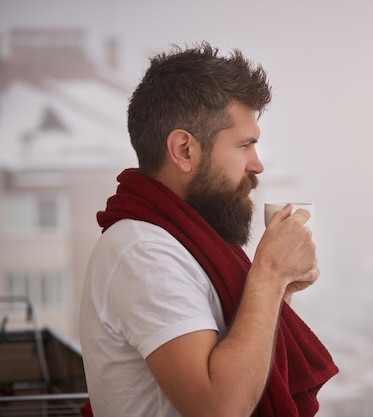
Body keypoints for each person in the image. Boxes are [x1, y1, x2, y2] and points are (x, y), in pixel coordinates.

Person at [79, 42, 338, 417]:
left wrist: (279, 290)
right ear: (184, 149)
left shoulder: (182, 240)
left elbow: (238, 353)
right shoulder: (144, 253)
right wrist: (267, 276)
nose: (257, 164)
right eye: (245, 145)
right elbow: (219, 408)